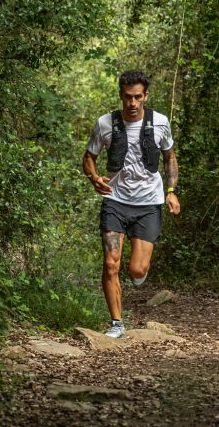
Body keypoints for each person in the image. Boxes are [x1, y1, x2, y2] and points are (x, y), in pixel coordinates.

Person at [83, 70, 181, 339]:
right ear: (121, 96)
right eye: (128, 97)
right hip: (115, 199)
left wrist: (171, 191)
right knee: (111, 262)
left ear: (145, 96)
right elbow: (88, 158)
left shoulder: (160, 122)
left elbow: (170, 157)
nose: (132, 103)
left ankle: (139, 273)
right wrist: (94, 178)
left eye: (138, 97)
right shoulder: (105, 123)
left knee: (137, 269)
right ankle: (116, 323)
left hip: (149, 203)